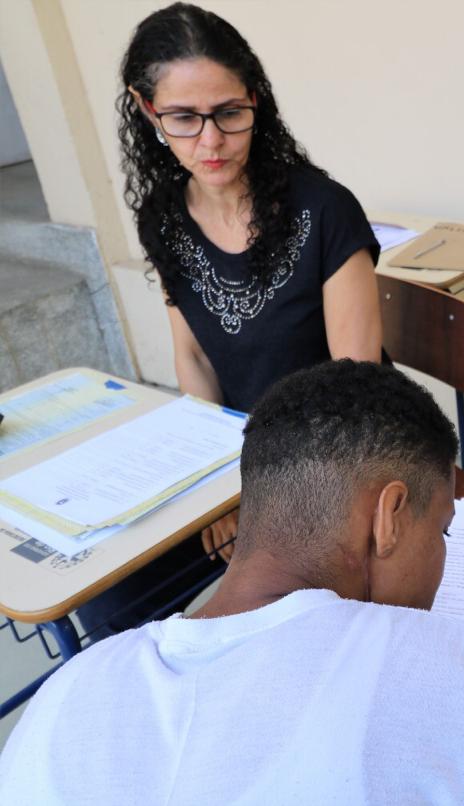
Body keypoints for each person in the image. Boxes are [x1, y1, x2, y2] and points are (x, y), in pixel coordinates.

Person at [0, 361, 464, 806]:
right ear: (388, 516)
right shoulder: (457, 667)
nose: (444, 557)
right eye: (444, 532)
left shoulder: (64, 697)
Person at [78, 3, 382, 637]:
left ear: (255, 101)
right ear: (146, 109)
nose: (211, 141)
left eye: (229, 114)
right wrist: (220, 486)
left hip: (337, 459)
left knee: (273, 610)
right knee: (111, 604)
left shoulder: (323, 211)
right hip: (233, 463)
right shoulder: (163, 217)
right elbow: (192, 359)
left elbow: (355, 390)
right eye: (185, 119)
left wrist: (251, 491)